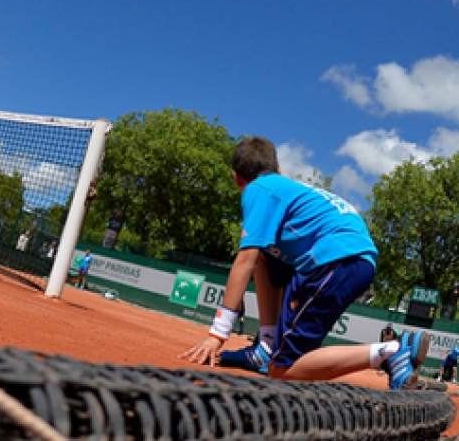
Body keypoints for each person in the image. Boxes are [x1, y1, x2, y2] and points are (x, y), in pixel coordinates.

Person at [180, 136, 429, 390]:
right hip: (355, 258)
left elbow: (245, 260)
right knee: (266, 255)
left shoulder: (257, 188)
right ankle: (266, 346)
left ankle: (392, 351)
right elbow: (259, 259)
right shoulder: (290, 190)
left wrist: (217, 334)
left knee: (284, 370)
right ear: (279, 171)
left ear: (237, 178)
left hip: (334, 259)